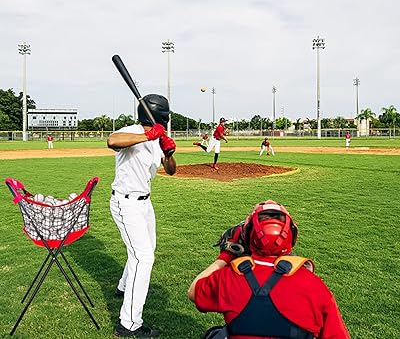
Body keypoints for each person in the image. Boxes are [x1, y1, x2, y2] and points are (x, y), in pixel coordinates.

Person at [188, 200, 350, 339]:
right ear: (291, 235)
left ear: (249, 234)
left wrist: (225, 256)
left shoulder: (229, 276)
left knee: (216, 334)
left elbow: (193, 292)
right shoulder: (314, 286)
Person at [107, 94, 177, 338]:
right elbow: (112, 140)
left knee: (146, 250)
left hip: (144, 204)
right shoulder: (132, 131)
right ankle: (128, 325)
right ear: (159, 116)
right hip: (125, 203)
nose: (168, 119)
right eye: (166, 115)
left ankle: (123, 287)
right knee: (143, 258)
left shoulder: (160, 138)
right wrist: (149, 135)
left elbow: (171, 171)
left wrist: (168, 154)